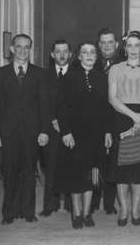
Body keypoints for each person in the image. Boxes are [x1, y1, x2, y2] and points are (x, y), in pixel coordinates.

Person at [0, 34, 50, 224]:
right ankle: (8, 213)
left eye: (27, 47)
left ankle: (28, 212)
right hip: (8, 132)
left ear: (30, 49)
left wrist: (44, 131)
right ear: (12, 49)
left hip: (31, 133)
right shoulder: (0, 73)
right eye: (19, 47)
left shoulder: (39, 73)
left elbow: (44, 105)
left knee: (28, 172)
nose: (22, 51)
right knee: (9, 172)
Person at [56, 42, 112, 229]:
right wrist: (65, 132)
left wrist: (107, 131)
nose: (89, 55)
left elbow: (106, 108)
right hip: (74, 134)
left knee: (90, 175)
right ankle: (76, 213)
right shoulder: (69, 77)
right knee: (75, 175)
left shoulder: (102, 77)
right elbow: (61, 107)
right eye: (84, 52)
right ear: (78, 56)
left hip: (95, 135)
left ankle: (87, 213)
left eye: (92, 52)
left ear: (97, 56)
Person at [108, 31, 140, 227]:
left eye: (137, 45)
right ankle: (124, 208)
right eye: (130, 45)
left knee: (139, 167)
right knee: (122, 168)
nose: (134, 49)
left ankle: (136, 208)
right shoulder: (115, 68)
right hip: (121, 117)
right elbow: (112, 98)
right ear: (125, 48)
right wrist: (133, 116)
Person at [40, 40, 72, 217]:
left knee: (70, 166)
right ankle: (49, 205)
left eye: (65, 51)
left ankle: (70, 204)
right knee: (50, 167)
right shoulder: (44, 76)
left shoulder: (76, 74)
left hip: (71, 130)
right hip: (51, 129)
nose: (61, 55)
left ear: (70, 54)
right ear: (52, 54)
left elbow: (76, 104)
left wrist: (67, 124)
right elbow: (42, 103)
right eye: (58, 52)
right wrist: (53, 121)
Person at [90, 28, 120, 215]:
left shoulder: (124, 64)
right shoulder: (90, 64)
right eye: (103, 42)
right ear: (98, 45)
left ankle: (109, 203)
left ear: (116, 45)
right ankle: (93, 201)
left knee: (113, 162)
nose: (107, 46)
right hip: (95, 121)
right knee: (94, 161)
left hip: (117, 120)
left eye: (110, 42)